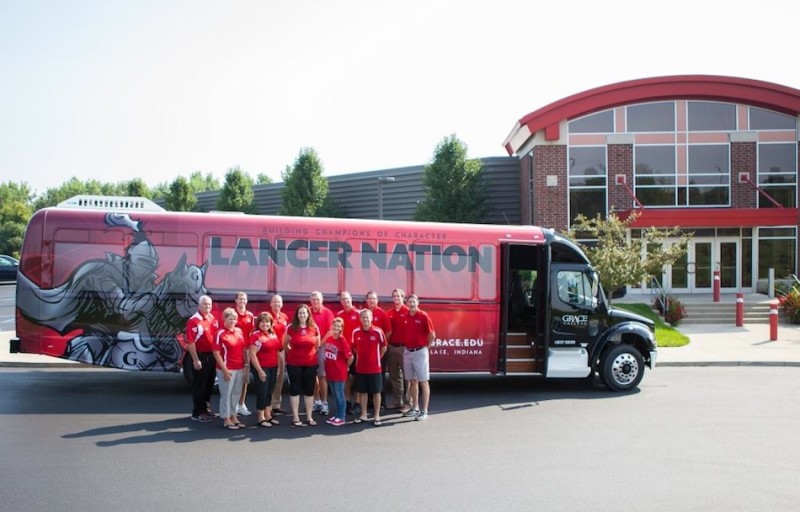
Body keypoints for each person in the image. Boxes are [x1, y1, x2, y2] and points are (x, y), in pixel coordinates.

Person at [284, 304, 321, 427]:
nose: (302, 315)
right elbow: (285, 344)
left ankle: (309, 417)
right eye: (300, 313)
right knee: (295, 390)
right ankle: (295, 417)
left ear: (308, 314)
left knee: (309, 391)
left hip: (311, 364)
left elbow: (317, 345)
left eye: (304, 313)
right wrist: (293, 355)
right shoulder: (291, 327)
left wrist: (309, 355)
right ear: (297, 315)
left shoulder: (314, 327)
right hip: (294, 364)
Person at [213, 307, 248, 430]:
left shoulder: (239, 331)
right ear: (224, 319)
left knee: (236, 393)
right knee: (226, 394)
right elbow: (216, 353)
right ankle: (226, 419)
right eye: (230, 319)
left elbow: (243, 348)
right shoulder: (220, 333)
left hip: (239, 368)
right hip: (227, 369)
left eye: (234, 319)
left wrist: (245, 365)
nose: (232, 321)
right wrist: (224, 370)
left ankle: (234, 416)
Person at [186, 295, 219, 422]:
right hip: (201, 356)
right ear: (199, 306)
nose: (207, 307)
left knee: (209, 384)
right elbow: (190, 342)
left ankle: (205, 408)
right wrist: (195, 359)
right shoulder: (194, 321)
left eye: (209, 304)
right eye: (205, 304)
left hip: (211, 356)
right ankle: (197, 412)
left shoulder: (212, 318)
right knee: (200, 385)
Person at [351, 309, 387, 426]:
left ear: (371, 318)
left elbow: (384, 347)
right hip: (361, 368)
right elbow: (355, 348)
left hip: (375, 368)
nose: (365, 319)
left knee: (376, 392)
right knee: (363, 392)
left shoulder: (378, 331)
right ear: (360, 319)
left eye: (368, 317)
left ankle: (376, 416)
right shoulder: (355, 332)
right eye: (363, 317)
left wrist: (376, 358)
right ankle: (364, 414)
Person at [402, 294, 435, 421]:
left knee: (423, 381)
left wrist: (426, 347)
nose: (411, 304)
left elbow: (432, 334)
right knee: (412, 381)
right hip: (408, 352)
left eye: (413, 301)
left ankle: (425, 411)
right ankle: (415, 408)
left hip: (420, 352)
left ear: (418, 302)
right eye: (409, 302)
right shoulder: (406, 316)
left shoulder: (423, 316)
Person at [248, 312, 282, 428]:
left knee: (269, 392)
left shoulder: (272, 333)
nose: (265, 324)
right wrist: (260, 371)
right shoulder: (256, 335)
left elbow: (277, 351)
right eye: (262, 322)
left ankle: (268, 415)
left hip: (273, 367)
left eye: (267, 322)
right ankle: (260, 417)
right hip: (262, 368)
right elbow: (252, 355)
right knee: (262, 392)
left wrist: (278, 369)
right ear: (258, 323)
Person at [322, 318, 354, 426]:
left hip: (339, 372)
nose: (336, 328)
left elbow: (350, 357)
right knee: (335, 395)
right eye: (335, 325)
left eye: (339, 326)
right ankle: (336, 415)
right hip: (330, 371)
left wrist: (346, 367)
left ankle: (341, 417)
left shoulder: (342, 340)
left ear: (341, 329)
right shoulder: (329, 338)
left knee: (340, 395)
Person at [310, 291, 335, 415]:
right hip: (310, 348)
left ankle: (325, 403)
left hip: (322, 347)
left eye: (317, 299)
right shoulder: (308, 312)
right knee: (312, 375)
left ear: (322, 300)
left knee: (322, 375)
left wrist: (319, 344)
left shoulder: (327, 313)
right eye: (313, 299)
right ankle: (317, 401)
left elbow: (330, 332)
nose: (315, 302)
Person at [336, 291, 361, 415]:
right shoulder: (339, 315)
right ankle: (347, 402)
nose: (345, 301)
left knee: (356, 378)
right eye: (343, 299)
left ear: (351, 299)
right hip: (343, 353)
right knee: (345, 378)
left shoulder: (358, 314)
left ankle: (357, 403)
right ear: (340, 301)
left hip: (356, 351)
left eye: (347, 299)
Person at [385, 288, 410, 410]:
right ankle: (397, 401)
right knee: (395, 376)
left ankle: (408, 402)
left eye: (398, 296)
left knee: (408, 376)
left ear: (403, 298)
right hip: (393, 347)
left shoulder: (409, 311)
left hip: (405, 348)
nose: (396, 298)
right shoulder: (389, 313)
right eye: (394, 296)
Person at [234, 291, 255, 417]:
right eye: (240, 299)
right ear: (236, 301)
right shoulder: (232, 314)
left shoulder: (250, 316)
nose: (242, 301)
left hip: (246, 350)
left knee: (245, 379)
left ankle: (241, 404)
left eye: (244, 299)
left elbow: (252, 333)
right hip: (234, 349)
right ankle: (234, 405)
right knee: (235, 378)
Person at [269, 294, 289, 414]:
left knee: (280, 377)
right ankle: (268, 406)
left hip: (281, 351)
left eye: (279, 302)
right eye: (274, 302)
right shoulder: (267, 317)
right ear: (270, 304)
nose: (276, 304)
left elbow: (287, 333)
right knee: (272, 378)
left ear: (282, 304)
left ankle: (276, 404)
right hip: (271, 351)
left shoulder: (284, 317)